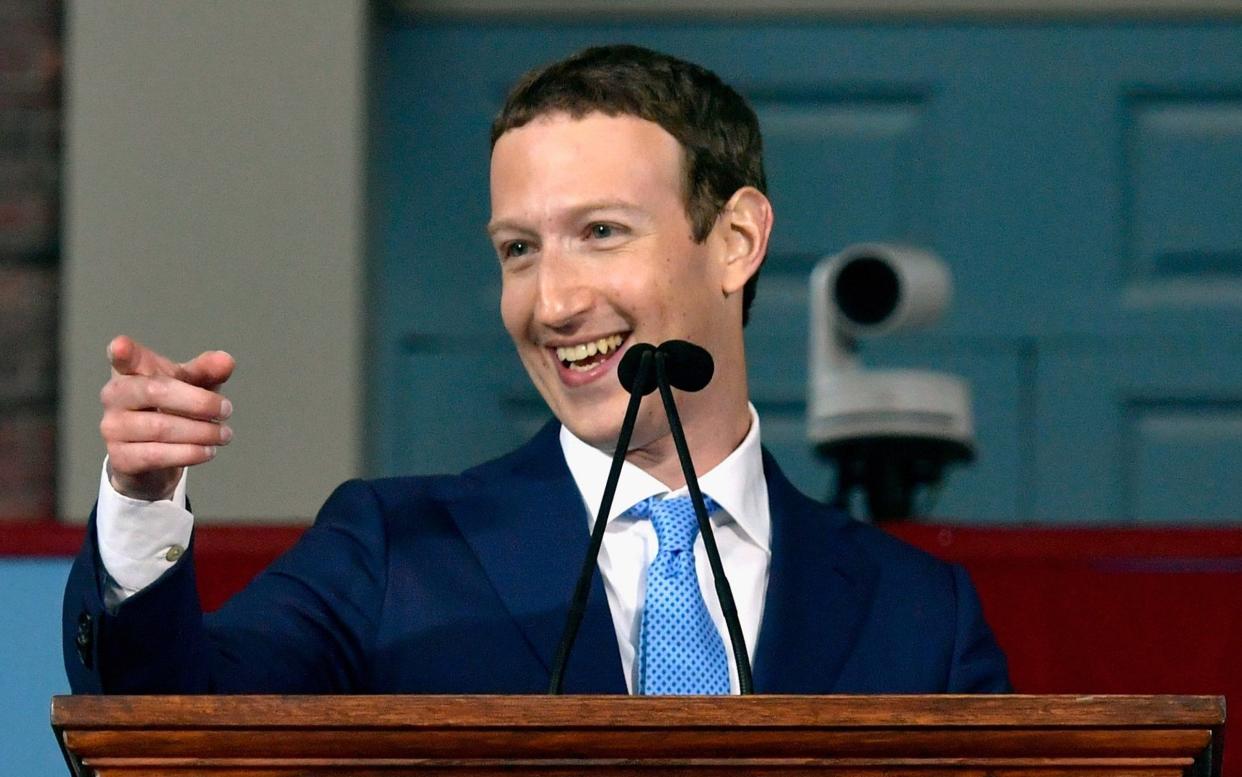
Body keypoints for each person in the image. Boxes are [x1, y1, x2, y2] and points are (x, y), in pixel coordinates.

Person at [64, 44, 1009, 695]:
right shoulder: (396, 552)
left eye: (600, 233)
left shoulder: (918, 615)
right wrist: (141, 502)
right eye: (519, 249)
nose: (551, 302)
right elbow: (172, 720)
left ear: (735, 239)